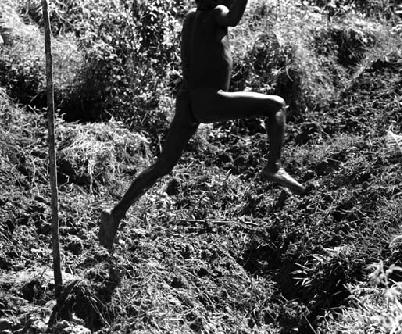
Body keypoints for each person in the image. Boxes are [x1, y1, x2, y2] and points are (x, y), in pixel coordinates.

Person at [98, 0, 305, 251]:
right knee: (275, 105)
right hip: (209, 99)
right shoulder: (216, 13)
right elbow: (234, 17)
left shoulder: (190, 18)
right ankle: (273, 167)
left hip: (187, 102)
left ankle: (115, 213)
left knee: (162, 165)